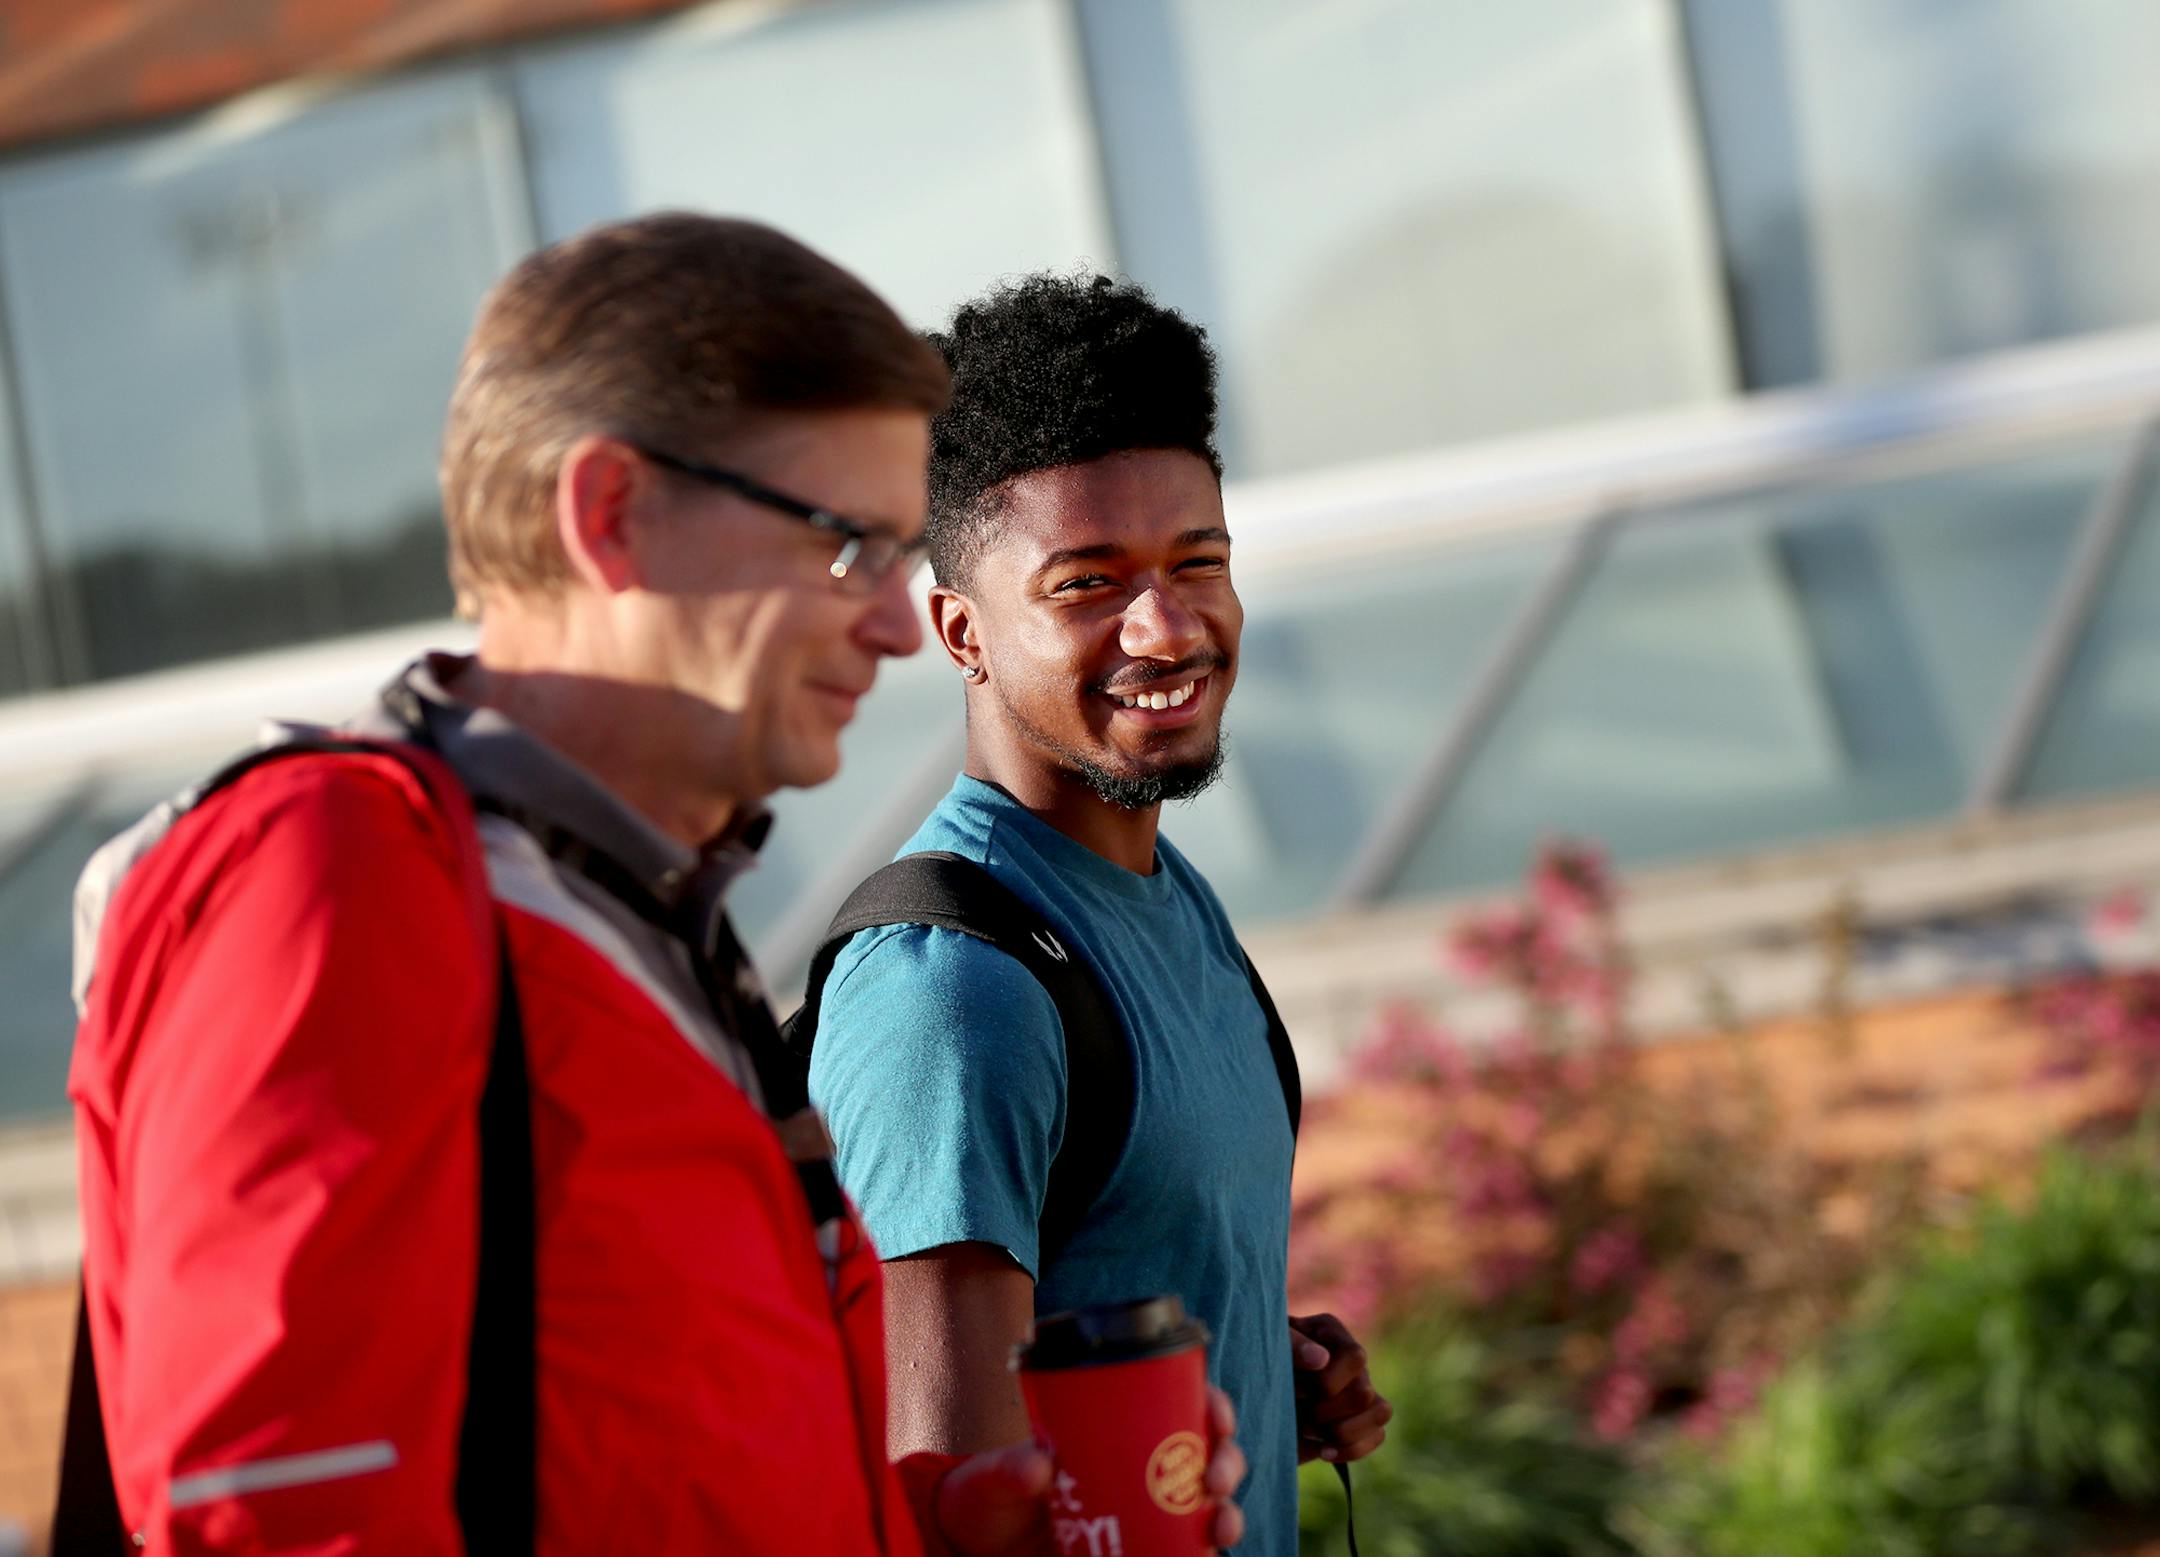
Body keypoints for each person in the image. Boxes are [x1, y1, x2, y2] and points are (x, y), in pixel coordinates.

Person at [64, 218, 1245, 1555]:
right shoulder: (341, 864)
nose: (887, 620)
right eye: (844, 543)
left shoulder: (635, 913)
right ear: (611, 512)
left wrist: (958, 1530)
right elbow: (279, 1515)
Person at [804, 274, 1391, 1557]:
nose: (1168, 626)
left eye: (1200, 563)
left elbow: (1095, 1322)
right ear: (960, 631)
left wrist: (1247, 1379)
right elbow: (955, 1499)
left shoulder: (1166, 899)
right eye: (1086, 583)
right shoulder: (949, 988)